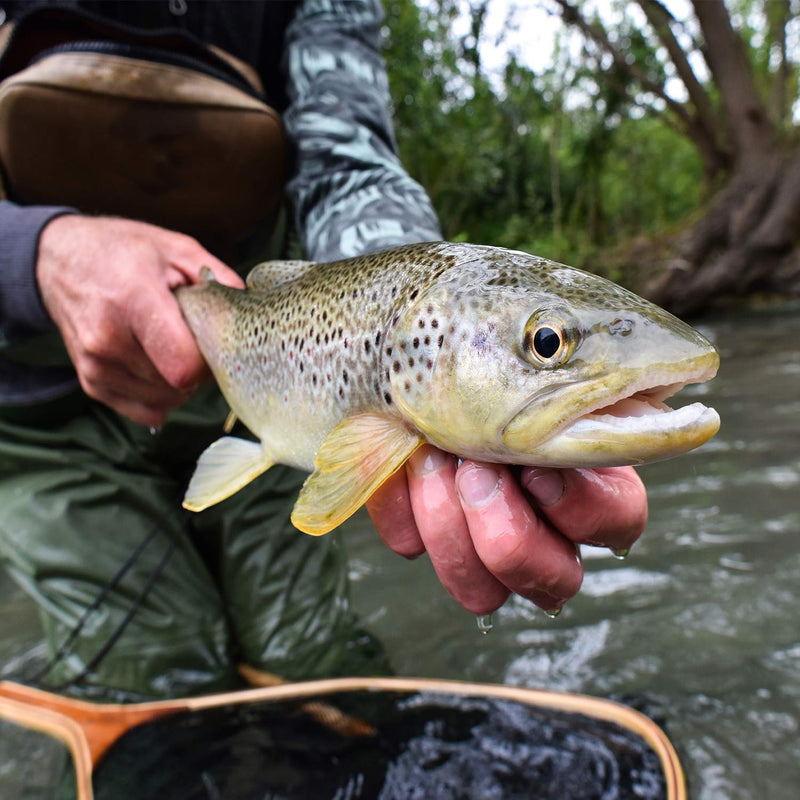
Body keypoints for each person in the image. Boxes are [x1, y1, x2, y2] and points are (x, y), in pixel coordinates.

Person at [0, 0, 647, 701]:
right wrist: (34, 256)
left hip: (283, 380)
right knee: (152, 674)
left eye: (544, 343)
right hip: (38, 413)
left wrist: (386, 306)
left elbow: (347, 160)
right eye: (548, 345)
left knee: (313, 666)